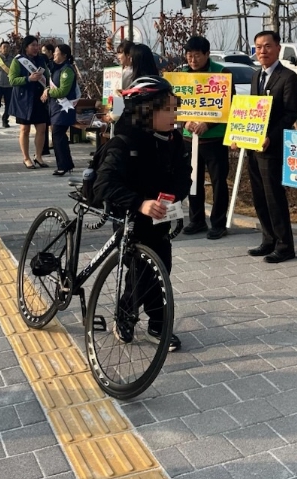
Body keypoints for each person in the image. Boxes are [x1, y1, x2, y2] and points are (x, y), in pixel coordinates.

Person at [92, 76, 191, 351]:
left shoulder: (175, 140)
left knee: (162, 267)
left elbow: (185, 177)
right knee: (141, 270)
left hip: (161, 217)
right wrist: (140, 203)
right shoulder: (125, 141)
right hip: (130, 216)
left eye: (174, 108)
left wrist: (173, 198)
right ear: (146, 111)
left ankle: (156, 325)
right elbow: (104, 185)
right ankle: (127, 315)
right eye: (167, 109)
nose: (174, 115)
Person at [247, 31, 297, 263]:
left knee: (274, 197)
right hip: (253, 147)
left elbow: (290, 113)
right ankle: (268, 239)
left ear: (278, 48)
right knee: (259, 196)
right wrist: (240, 135)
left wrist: (270, 137)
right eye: (258, 47)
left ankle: (285, 245)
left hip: (273, 147)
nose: (263, 51)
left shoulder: (288, 77)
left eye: (267, 46)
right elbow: (251, 110)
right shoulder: (256, 76)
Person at [181, 35, 230, 240]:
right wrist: (184, 121)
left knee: (218, 182)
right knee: (192, 181)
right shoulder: (181, 75)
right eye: (189, 56)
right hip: (189, 138)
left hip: (215, 139)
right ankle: (196, 220)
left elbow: (228, 105)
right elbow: (173, 104)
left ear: (207, 54)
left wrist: (208, 124)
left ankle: (218, 223)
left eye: (197, 56)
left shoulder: (221, 73)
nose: (192, 60)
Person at [9, 35, 51, 170]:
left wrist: (47, 88)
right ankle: (26, 158)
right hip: (24, 99)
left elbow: (48, 77)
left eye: (37, 45)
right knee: (25, 129)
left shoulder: (41, 59)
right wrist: (28, 79)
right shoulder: (18, 60)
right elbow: (12, 80)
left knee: (42, 128)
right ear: (26, 47)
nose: (36, 48)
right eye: (33, 45)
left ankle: (38, 156)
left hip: (39, 98)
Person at [41, 44, 77, 176]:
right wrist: (47, 89)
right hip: (56, 108)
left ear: (64, 55)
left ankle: (63, 166)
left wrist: (49, 92)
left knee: (57, 135)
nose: (54, 54)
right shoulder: (57, 68)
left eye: (57, 52)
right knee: (60, 136)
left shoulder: (67, 70)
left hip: (64, 108)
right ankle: (67, 164)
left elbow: (63, 91)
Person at [40, 43, 56, 156]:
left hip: (50, 97)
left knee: (48, 122)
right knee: (46, 123)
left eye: (44, 51)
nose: (42, 53)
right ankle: (46, 146)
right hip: (46, 97)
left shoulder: (52, 66)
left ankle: (50, 143)